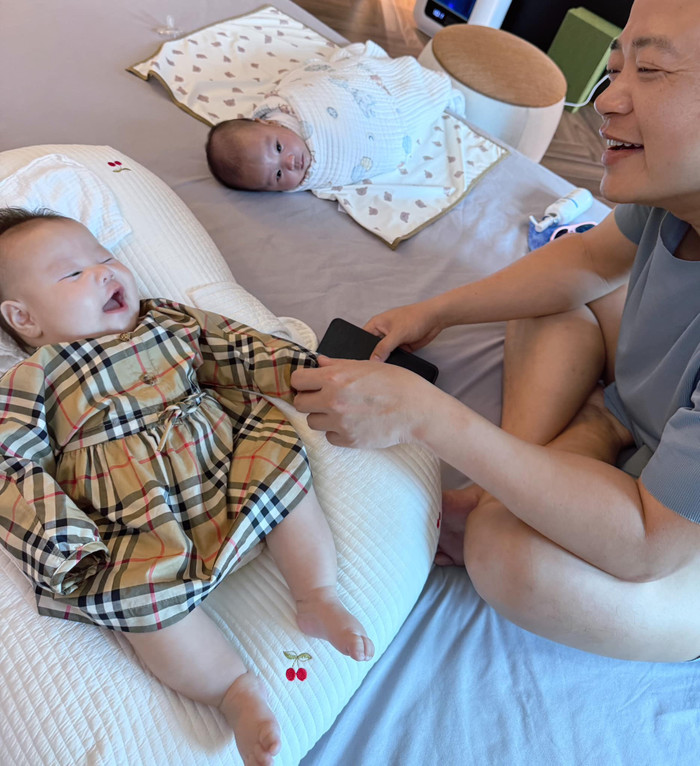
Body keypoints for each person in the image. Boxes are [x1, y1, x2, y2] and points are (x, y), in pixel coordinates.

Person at [290, 0, 700, 664]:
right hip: (644, 406)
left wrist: (433, 418)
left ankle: (563, 451)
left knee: (508, 554)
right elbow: (587, 260)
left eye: (650, 70)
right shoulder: (672, 199)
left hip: (679, 546)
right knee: (550, 296)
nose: (606, 100)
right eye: (616, 66)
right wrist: (438, 311)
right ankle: (593, 430)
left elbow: (649, 543)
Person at [0, 208, 374, 766]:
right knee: (133, 598)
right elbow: (12, 465)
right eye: (73, 273)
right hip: (134, 521)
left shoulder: (166, 322)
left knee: (281, 464)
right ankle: (232, 692)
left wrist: (309, 373)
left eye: (105, 257)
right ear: (24, 318)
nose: (105, 272)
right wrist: (64, 543)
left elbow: (236, 348)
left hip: (224, 457)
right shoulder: (34, 378)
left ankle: (316, 594)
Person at [206, 40, 464, 192]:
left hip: (365, 87)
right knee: (414, 111)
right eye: (277, 176)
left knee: (363, 74)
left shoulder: (287, 106)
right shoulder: (319, 172)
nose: (290, 162)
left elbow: (313, 85)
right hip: (391, 125)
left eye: (278, 147)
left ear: (266, 121)